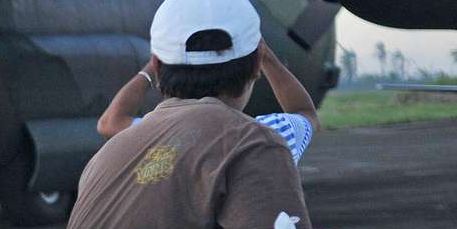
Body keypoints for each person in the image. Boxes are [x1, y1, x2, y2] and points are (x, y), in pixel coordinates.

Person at [64, 0, 311, 229]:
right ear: (256, 63)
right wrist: (269, 58)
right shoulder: (255, 141)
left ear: (157, 66)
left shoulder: (108, 155)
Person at [96, 42, 318, 166]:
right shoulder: (270, 134)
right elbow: (305, 113)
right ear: (253, 70)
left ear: (160, 67)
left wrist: (153, 66)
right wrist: (266, 56)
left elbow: (109, 122)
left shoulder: (151, 137)